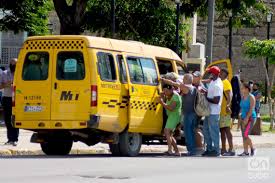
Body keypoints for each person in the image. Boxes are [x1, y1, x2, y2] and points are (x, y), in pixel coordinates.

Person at [162, 74, 198, 156]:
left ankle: (191, 150)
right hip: (193, 113)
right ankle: (191, 150)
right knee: (191, 132)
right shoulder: (193, 88)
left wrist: (165, 80)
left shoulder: (186, 87)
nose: (182, 80)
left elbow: (175, 84)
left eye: (183, 79)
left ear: (186, 79)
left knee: (188, 133)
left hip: (188, 113)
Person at [202, 66, 223, 157]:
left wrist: (205, 97)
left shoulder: (217, 84)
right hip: (209, 110)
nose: (209, 74)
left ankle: (216, 150)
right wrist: (205, 92)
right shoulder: (213, 81)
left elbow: (216, 100)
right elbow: (211, 94)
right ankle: (209, 149)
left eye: (211, 73)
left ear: (215, 74)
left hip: (214, 112)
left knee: (213, 131)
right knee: (206, 130)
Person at [158, 84, 182, 156]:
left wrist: (162, 102)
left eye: (167, 91)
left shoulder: (175, 96)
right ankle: (177, 151)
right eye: (164, 90)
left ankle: (170, 150)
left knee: (166, 131)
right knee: (170, 134)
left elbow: (171, 108)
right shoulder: (168, 95)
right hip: (171, 116)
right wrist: (162, 95)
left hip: (175, 116)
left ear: (172, 90)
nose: (165, 92)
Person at [0, 58, 19, 146]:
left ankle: (15, 139)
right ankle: (9, 139)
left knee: (15, 119)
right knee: (7, 120)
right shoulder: (4, 73)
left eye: (15, 64)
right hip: (7, 98)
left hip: (17, 99)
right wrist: (7, 84)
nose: (13, 65)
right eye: (12, 63)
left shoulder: (20, 74)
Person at [219, 69, 235, 156]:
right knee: (222, 131)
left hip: (225, 110)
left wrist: (228, 106)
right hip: (221, 111)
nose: (220, 74)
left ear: (225, 75)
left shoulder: (225, 82)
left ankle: (231, 148)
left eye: (222, 73)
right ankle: (224, 149)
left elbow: (229, 96)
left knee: (227, 130)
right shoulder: (221, 82)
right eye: (220, 73)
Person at [238, 83, 257, 156]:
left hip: (251, 118)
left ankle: (252, 148)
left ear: (246, 89)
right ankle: (245, 152)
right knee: (243, 136)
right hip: (243, 118)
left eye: (242, 88)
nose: (241, 89)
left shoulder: (251, 97)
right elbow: (241, 107)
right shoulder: (242, 97)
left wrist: (247, 118)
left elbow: (252, 108)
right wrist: (240, 115)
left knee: (245, 135)